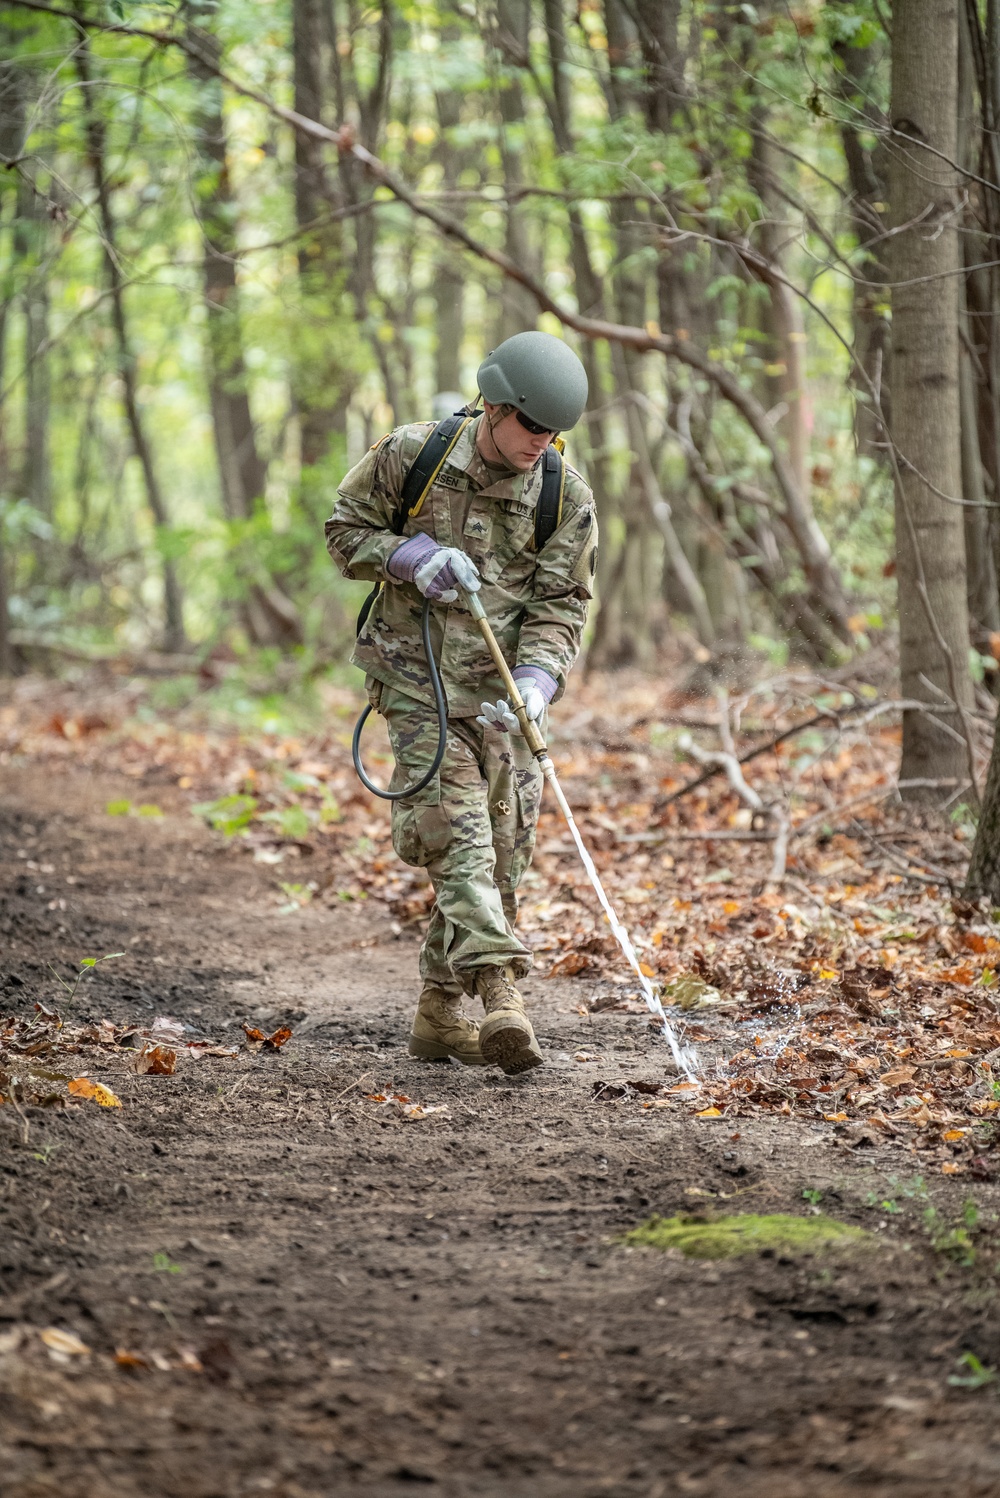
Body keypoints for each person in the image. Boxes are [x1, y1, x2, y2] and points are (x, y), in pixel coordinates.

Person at [325, 331, 597, 1074]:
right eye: (532, 426)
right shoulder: (412, 456)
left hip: (503, 699)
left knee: (505, 858)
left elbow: (562, 604)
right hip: (417, 684)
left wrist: (539, 684)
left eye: (554, 432)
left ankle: (439, 1011)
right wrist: (410, 559)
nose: (542, 443)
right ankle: (501, 991)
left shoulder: (562, 495)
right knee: (456, 834)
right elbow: (344, 532)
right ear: (495, 406)